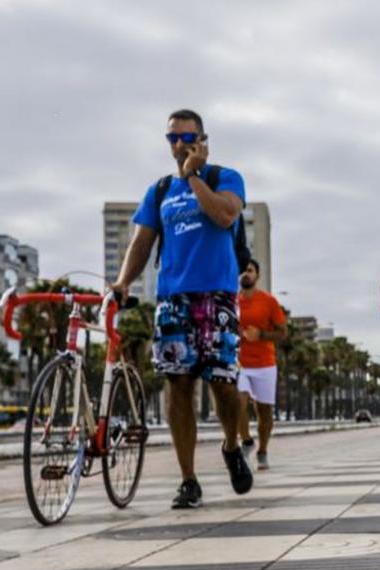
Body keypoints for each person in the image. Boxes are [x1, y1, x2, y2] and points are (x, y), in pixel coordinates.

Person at [112, 109, 254, 509]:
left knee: (223, 384)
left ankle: (230, 446)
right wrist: (124, 281)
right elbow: (141, 243)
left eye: (186, 136)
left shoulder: (224, 177)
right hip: (173, 297)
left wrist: (193, 175)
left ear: (203, 139)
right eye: (171, 138)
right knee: (178, 385)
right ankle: (188, 479)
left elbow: (226, 214)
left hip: (217, 295)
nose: (178, 144)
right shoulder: (158, 191)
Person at [236, 258, 287, 470]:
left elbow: (284, 332)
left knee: (264, 412)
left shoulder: (268, 301)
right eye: (242, 271)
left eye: (249, 271)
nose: (245, 274)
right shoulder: (232, 302)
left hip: (265, 364)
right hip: (239, 364)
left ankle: (263, 450)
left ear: (257, 276)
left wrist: (261, 334)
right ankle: (246, 440)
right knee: (237, 402)